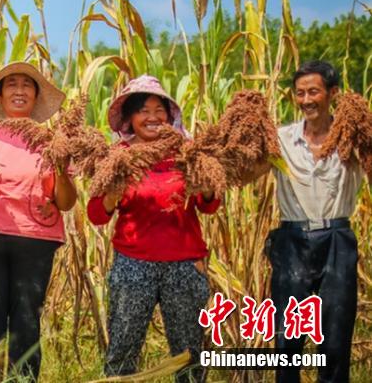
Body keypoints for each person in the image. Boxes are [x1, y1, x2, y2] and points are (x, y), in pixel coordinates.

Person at [87, 75, 218, 382]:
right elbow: (96, 214)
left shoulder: (187, 153)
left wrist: (209, 187)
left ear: (169, 115)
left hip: (184, 265)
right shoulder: (117, 156)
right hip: (133, 265)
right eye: (143, 110)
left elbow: (209, 205)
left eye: (159, 109)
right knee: (122, 348)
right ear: (130, 119)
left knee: (189, 353)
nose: (153, 117)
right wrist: (112, 194)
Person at [0, 62, 76, 381]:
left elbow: (65, 201)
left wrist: (60, 164)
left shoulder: (51, 142)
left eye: (27, 85)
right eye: (12, 85)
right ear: (0, 95)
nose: (19, 90)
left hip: (35, 240)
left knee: (26, 320)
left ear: (35, 97)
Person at [246, 61, 362, 382]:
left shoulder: (353, 137)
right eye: (300, 93)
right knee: (288, 338)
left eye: (314, 91)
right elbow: (248, 173)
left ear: (332, 94)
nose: (306, 100)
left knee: (335, 337)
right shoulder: (281, 140)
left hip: (337, 239)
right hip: (292, 241)